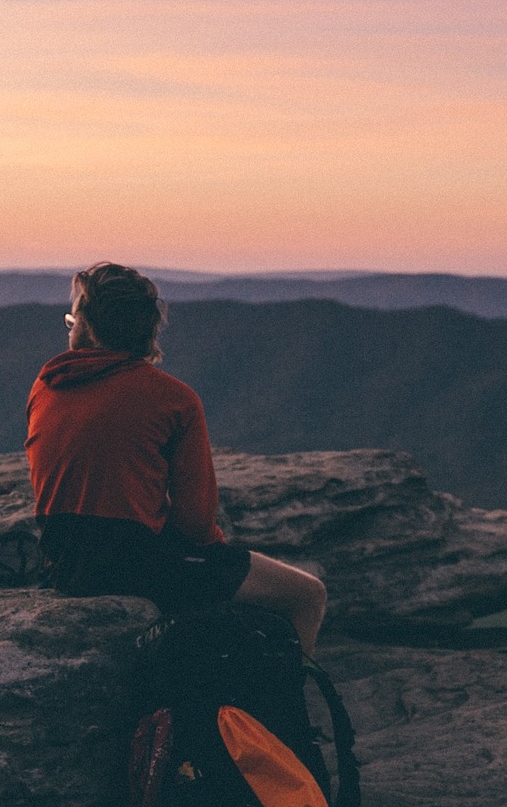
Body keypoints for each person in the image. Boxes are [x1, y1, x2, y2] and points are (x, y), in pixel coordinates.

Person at [25, 261, 328, 654]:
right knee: (307, 595)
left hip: (62, 561)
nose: (71, 329)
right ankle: (288, 708)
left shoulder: (47, 385)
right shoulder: (174, 400)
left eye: (72, 321)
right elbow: (196, 522)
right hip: (132, 568)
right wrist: (217, 558)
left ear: (88, 329)